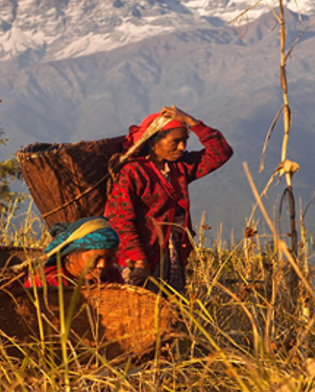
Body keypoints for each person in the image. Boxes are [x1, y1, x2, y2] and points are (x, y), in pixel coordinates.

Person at [104, 105, 233, 294]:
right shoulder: (133, 172)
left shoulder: (179, 168)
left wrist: (192, 122)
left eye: (185, 141)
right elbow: (120, 219)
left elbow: (221, 152)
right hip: (139, 257)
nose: (182, 147)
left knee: (170, 311)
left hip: (170, 253)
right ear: (153, 142)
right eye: (176, 141)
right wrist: (138, 258)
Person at [24, 216, 122, 288]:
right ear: (69, 254)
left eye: (109, 258)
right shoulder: (46, 281)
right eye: (95, 258)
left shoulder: (112, 276)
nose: (102, 265)